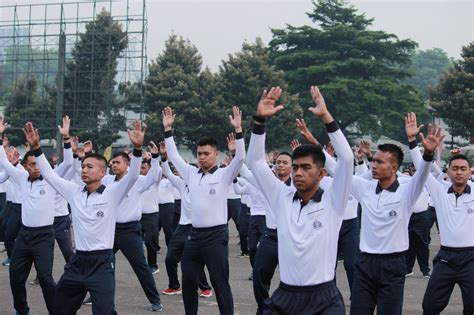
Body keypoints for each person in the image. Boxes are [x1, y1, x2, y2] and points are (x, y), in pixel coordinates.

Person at [248, 86, 353, 314]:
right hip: (285, 296)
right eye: (295, 167)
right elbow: (255, 161)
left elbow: (346, 159)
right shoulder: (281, 196)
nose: (297, 173)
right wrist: (260, 122)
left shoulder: (334, 201)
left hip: (323, 298)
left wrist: (326, 117)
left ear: (322, 173)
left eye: (306, 168)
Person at [23, 119, 145, 314]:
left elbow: (133, 176)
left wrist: (138, 149)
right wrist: (37, 148)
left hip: (102, 263)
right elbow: (50, 175)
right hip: (78, 263)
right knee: (60, 308)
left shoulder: (112, 193)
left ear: (103, 172)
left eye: (90, 167)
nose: (84, 170)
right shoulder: (74, 191)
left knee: (104, 311)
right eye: (83, 166)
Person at [348, 112, 443, 315]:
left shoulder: (407, 191)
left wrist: (423, 151)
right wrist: (328, 122)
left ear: (394, 167)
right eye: (373, 161)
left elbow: (423, 174)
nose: (374, 165)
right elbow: (336, 168)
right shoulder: (364, 188)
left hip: (393, 265)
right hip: (364, 262)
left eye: (379, 162)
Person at [163, 105, 244, 315]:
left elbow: (241, 158)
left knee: (220, 283)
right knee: (188, 280)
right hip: (194, 236)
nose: (202, 157)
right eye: (199, 153)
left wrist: (239, 131)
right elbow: (173, 155)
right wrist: (168, 130)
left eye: (206, 153)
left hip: (216, 237)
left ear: (216, 154)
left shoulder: (224, 175)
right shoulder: (191, 174)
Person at [0, 116, 73, 314]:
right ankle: (21, 309)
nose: (36, 167)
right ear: (25, 166)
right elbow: (3, 162)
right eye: (31, 164)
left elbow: (68, 162)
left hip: (44, 236)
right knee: (15, 275)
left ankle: (55, 311)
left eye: (38, 163)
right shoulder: (21, 178)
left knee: (46, 278)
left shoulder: (52, 179)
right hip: (24, 235)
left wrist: (66, 138)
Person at [405, 112, 474, 315]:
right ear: (449, 171)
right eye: (455, 168)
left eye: (463, 168)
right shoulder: (439, 190)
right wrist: (412, 141)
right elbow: (421, 168)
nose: (459, 172)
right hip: (446, 258)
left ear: (470, 172)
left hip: (471, 258)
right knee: (430, 306)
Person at [103, 142, 163, 312]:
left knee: (141, 267)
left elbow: (155, 176)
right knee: (100, 263)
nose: (114, 165)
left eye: (118, 162)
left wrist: (155, 157)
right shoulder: (107, 180)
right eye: (112, 163)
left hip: (129, 231)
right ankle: (94, 294)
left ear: (127, 163)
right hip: (109, 229)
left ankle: (155, 299)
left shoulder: (138, 180)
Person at [159, 142, 213, 298]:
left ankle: (205, 287)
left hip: (197, 227)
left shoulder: (204, 183)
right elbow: (168, 173)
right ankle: (174, 286)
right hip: (182, 227)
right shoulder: (182, 184)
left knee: (193, 259)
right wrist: (163, 158)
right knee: (170, 259)